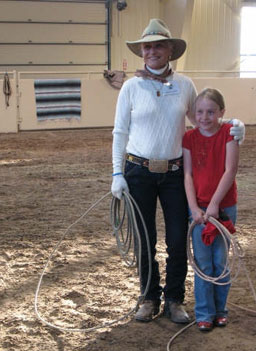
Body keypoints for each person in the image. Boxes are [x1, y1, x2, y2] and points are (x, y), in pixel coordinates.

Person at [111, 18, 244, 324]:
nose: (152, 51)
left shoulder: (184, 85)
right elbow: (120, 132)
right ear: (141, 51)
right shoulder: (130, 87)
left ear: (170, 49)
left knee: (175, 239)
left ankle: (173, 298)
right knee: (144, 237)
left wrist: (235, 126)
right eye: (147, 46)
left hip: (174, 174)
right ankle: (148, 295)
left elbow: (204, 120)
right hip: (138, 171)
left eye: (159, 45)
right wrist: (117, 172)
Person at [182, 88, 239, 331]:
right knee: (203, 263)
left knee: (220, 260)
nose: (205, 117)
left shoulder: (229, 133)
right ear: (194, 114)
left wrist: (215, 204)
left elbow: (230, 170)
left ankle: (220, 310)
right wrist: (194, 207)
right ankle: (204, 312)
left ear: (222, 112)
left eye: (211, 112)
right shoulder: (189, 138)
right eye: (200, 112)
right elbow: (187, 173)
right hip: (199, 209)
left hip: (224, 207)